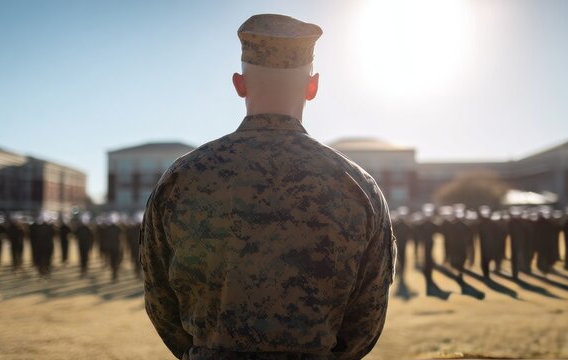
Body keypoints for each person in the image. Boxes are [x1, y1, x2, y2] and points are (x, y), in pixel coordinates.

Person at [140, 14, 395, 360]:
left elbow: (161, 302)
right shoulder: (357, 187)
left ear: (239, 84)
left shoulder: (181, 179)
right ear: (312, 86)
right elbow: (365, 319)